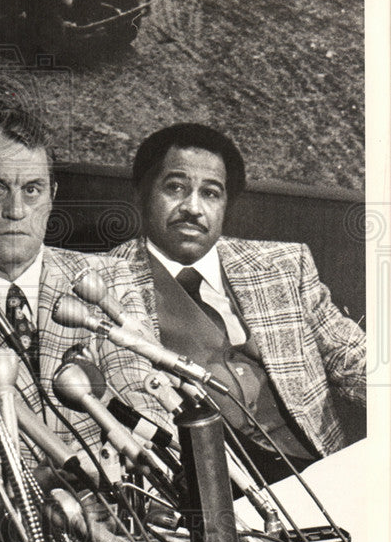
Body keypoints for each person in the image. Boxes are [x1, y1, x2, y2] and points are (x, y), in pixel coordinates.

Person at [0, 110, 155, 542]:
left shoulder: (106, 280)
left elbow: (144, 412)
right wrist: (24, 511)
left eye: (32, 190)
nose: (16, 210)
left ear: (51, 198)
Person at [109, 123, 366, 482]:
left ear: (226, 205)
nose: (193, 208)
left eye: (211, 193)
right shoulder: (103, 283)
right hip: (206, 489)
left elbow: (353, 357)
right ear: (141, 193)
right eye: (175, 188)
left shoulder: (284, 266)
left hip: (320, 471)